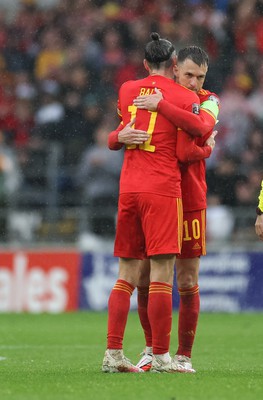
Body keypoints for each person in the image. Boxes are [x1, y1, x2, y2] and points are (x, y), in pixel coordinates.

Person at [102, 32, 212, 374]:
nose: (194, 82)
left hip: (128, 188)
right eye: (188, 73)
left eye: (200, 77)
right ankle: (163, 355)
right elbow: (196, 131)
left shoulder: (127, 89)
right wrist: (208, 147)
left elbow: (120, 130)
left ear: (146, 63)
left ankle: (114, 353)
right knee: (164, 275)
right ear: (175, 65)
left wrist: (116, 137)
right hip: (163, 189)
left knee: (128, 275)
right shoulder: (183, 97)